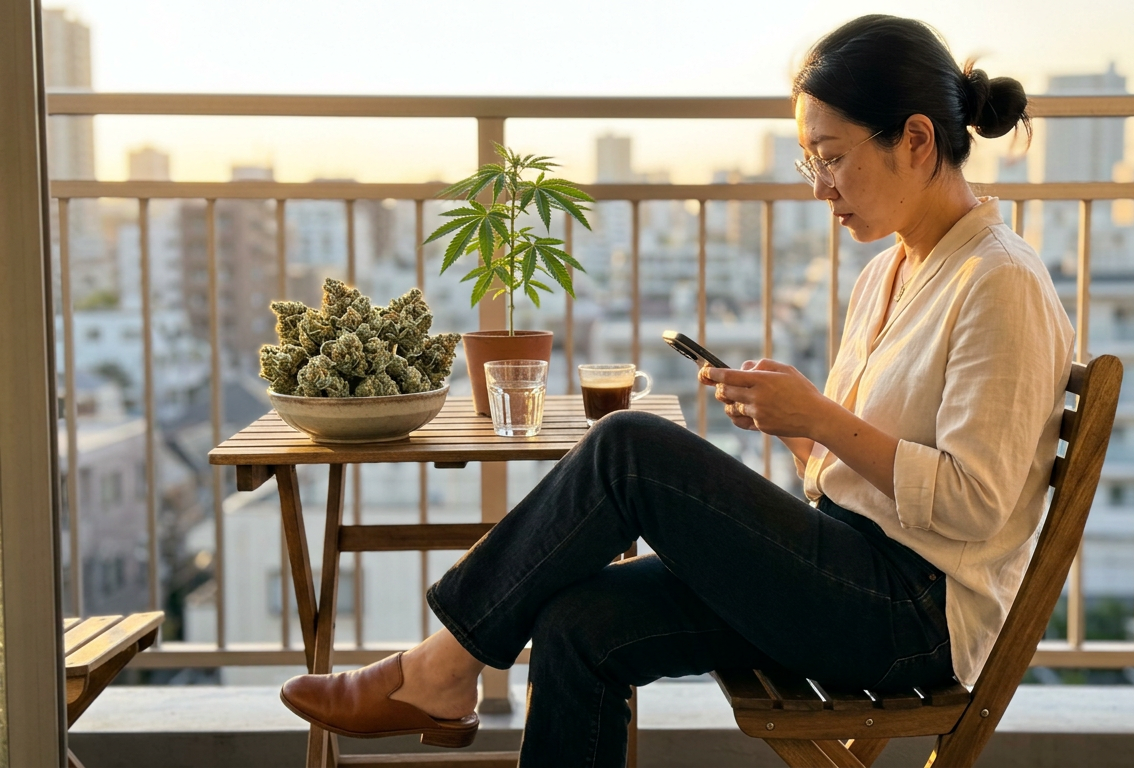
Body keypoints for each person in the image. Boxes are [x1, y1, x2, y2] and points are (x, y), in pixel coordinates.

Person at [279, 13, 1074, 767]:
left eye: (832, 156)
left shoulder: (998, 282)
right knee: (576, 623)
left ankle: (441, 670)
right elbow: (857, 479)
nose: (820, 185)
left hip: (911, 616)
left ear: (916, 138)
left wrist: (822, 420)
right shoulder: (889, 271)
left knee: (630, 445)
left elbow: (975, 502)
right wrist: (792, 427)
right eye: (811, 161)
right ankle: (444, 672)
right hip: (845, 572)